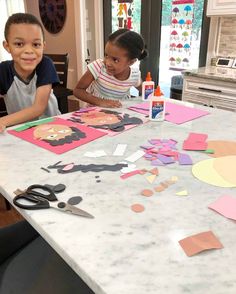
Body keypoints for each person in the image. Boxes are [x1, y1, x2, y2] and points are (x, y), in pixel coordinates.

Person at [0, 13, 61, 133]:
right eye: (19, 44)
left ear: (43, 46)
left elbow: (38, 108)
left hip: (52, 127)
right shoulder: (3, 71)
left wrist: (2, 121)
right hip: (21, 130)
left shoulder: (45, 64)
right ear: (7, 46)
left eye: (36, 44)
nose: (29, 51)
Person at [73, 28, 148, 108]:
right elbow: (78, 90)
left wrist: (156, 95)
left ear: (131, 62)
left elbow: (146, 92)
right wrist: (101, 102)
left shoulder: (134, 75)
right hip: (94, 116)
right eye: (106, 55)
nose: (107, 63)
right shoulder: (98, 67)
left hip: (119, 115)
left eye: (115, 60)